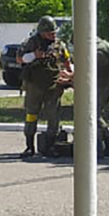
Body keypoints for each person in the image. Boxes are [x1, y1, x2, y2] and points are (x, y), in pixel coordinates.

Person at [20, 15, 73, 157]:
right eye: (50, 32)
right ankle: (29, 147)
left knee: (53, 117)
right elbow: (20, 59)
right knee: (31, 114)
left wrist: (69, 73)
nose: (53, 34)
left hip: (53, 86)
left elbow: (66, 60)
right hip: (34, 86)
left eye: (54, 32)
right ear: (42, 32)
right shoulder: (31, 43)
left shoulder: (59, 45)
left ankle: (49, 147)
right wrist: (34, 55)